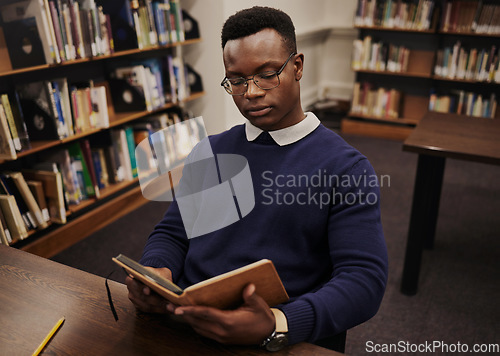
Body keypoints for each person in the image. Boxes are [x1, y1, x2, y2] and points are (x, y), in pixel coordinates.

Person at [126, 6, 388, 352]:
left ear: (297, 67)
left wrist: (280, 323)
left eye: (267, 74)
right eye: (236, 80)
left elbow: (363, 281)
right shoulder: (212, 150)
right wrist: (157, 273)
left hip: (277, 338)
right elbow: (174, 233)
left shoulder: (345, 168)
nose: (251, 92)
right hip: (186, 324)